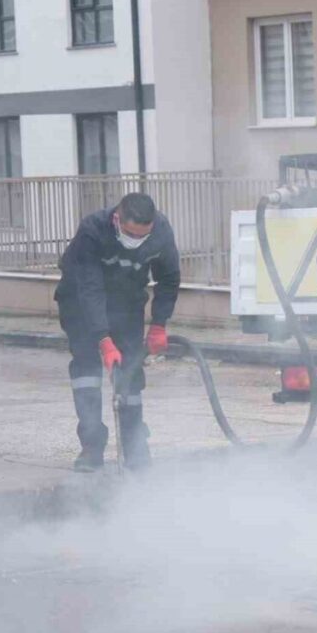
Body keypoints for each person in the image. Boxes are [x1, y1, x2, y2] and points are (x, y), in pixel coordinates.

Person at [54, 192, 181, 472]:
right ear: (117, 220)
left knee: (130, 373)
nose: (136, 241)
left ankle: (134, 445)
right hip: (79, 301)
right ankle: (91, 447)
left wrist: (159, 323)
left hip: (126, 303)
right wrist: (103, 339)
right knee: (87, 372)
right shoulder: (92, 231)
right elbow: (90, 289)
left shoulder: (160, 230)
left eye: (142, 236)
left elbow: (169, 278)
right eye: (130, 234)